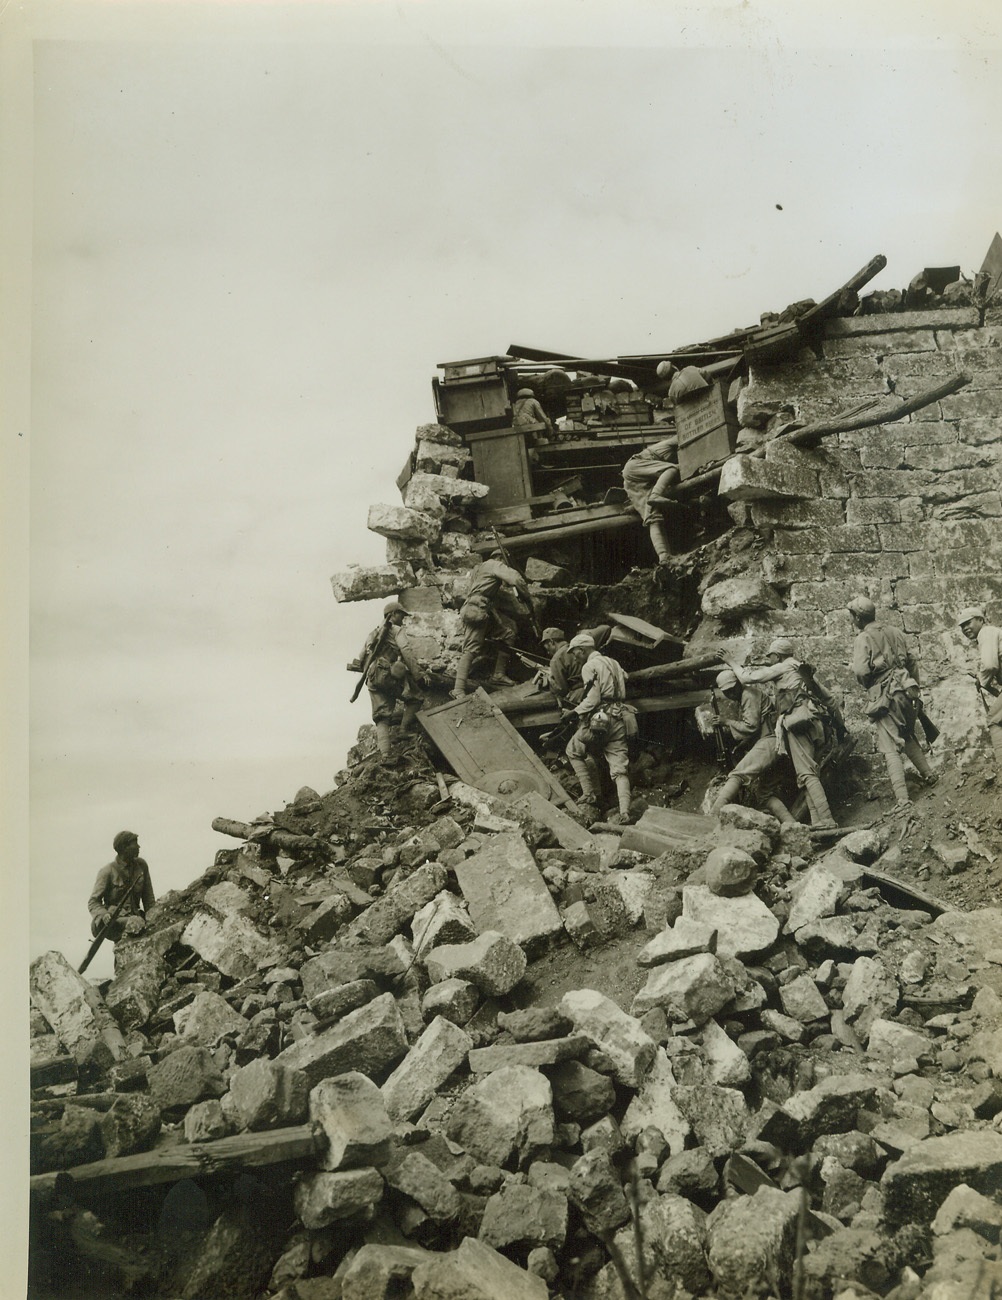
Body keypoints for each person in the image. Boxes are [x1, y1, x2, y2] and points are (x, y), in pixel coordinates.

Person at [729, 638, 840, 830]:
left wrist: (731, 662)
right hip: (813, 724)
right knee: (806, 772)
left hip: (796, 724)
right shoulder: (802, 670)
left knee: (806, 773)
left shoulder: (783, 667)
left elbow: (747, 678)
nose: (770, 660)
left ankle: (827, 819)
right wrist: (841, 726)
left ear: (778, 656)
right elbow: (829, 699)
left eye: (771, 657)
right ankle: (817, 822)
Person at [848, 595, 938, 808]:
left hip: (887, 695)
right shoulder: (896, 631)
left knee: (890, 746)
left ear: (859, 618)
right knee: (906, 735)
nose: (852, 621)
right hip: (908, 690)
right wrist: (914, 686)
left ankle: (902, 799)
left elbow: (861, 671)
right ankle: (929, 774)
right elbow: (912, 662)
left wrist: (871, 684)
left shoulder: (863, 638)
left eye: (852, 617)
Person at [564, 634, 637, 824]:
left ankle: (589, 794)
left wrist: (574, 712)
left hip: (601, 719)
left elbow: (593, 699)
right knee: (619, 768)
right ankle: (624, 811)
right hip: (620, 716)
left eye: (575, 653)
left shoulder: (589, 666)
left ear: (582, 649)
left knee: (573, 750)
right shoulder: (613, 662)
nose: (575, 657)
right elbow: (626, 677)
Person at [452, 550, 533, 698]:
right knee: (471, 648)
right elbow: (515, 579)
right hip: (477, 609)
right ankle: (458, 688)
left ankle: (498, 675)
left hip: (484, 609)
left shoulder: (478, 569)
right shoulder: (494, 564)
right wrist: (527, 598)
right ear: (500, 557)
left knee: (508, 633)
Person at [356, 601, 425, 762]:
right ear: (392, 615)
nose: (403, 618)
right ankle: (403, 730)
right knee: (417, 698)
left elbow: (361, 658)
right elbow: (406, 651)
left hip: (373, 677)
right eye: (401, 614)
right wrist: (417, 674)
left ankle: (385, 755)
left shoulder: (373, 633)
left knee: (381, 717)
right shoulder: (396, 630)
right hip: (389, 676)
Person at [621, 438, 681, 565]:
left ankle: (664, 557)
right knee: (672, 469)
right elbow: (685, 437)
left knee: (652, 516)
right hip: (635, 466)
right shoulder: (674, 440)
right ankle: (656, 494)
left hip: (632, 480)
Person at [88, 831, 156, 941]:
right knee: (135, 923)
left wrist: (154, 917)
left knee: (140, 923)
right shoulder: (107, 872)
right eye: (135, 844)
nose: (139, 846)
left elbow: (148, 899)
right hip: (115, 922)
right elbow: (93, 902)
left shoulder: (141, 866)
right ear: (124, 848)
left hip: (136, 918)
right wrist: (104, 915)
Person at [958, 606, 1002, 768]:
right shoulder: (992, 633)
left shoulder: (986, 632)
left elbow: (990, 665)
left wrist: (982, 681)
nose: (965, 629)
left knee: (994, 719)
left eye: (968, 623)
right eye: (962, 626)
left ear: (980, 620)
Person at [511, 387, 553, 463]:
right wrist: (550, 430)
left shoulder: (515, 404)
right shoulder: (533, 401)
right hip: (529, 426)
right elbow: (542, 418)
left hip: (517, 428)